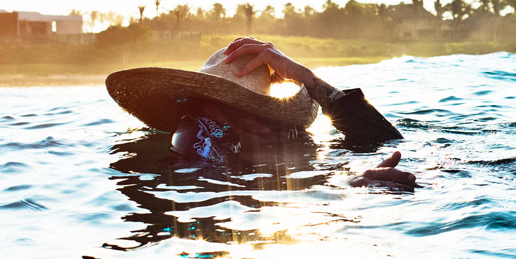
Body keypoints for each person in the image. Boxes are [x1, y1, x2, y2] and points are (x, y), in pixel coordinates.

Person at [105, 37, 416, 188]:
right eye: (236, 111)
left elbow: (385, 142)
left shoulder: (289, 138)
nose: (262, 127)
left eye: (261, 114)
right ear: (201, 107)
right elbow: (204, 185)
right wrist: (349, 185)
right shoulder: (197, 135)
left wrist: (304, 76)